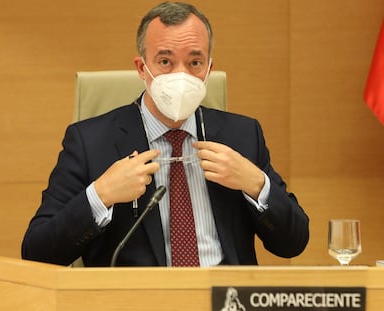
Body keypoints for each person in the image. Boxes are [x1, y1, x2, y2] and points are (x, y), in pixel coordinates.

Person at [22, 1, 309, 267]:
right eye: (165, 62)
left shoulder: (242, 135)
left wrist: (255, 184)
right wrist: (101, 195)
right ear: (142, 68)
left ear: (209, 69)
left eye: (195, 63)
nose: (180, 75)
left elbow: (293, 243)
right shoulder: (90, 142)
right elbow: (37, 253)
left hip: (224, 300)